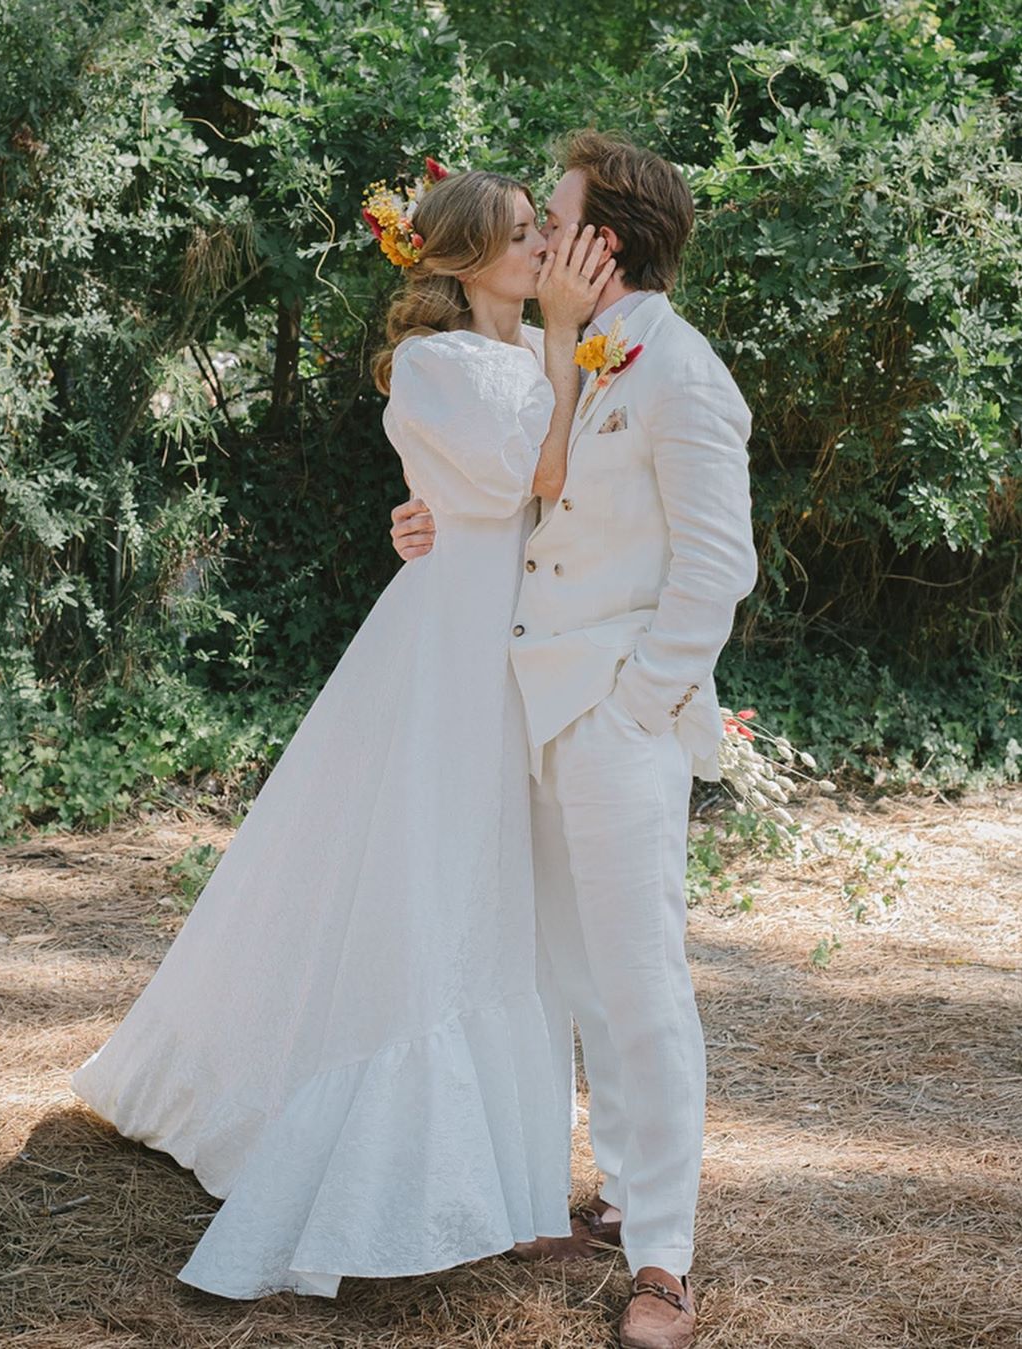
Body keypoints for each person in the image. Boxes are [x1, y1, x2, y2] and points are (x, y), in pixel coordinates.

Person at [69, 168, 616, 1300]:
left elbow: (565, 491)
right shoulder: (434, 363)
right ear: (464, 258)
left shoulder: (530, 355)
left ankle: (513, 1185)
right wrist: (560, 343)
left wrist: (557, 348)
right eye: (522, 236)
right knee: (432, 885)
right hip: (449, 653)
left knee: (504, 895)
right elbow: (529, 475)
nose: (540, 248)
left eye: (538, 231)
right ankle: (398, 1164)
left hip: (519, 648)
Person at [390, 131, 759, 1349]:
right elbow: (517, 499)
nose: (542, 238)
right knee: (564, 975)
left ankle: (664, 1259)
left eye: (558, 219)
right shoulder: (581, 358)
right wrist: (424, 522)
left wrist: (637, 704)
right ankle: (580, 1192)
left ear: (609, 238)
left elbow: (717, 569)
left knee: (641, 987)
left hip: (611, 720)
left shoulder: (684, 375)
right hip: (531, 711)